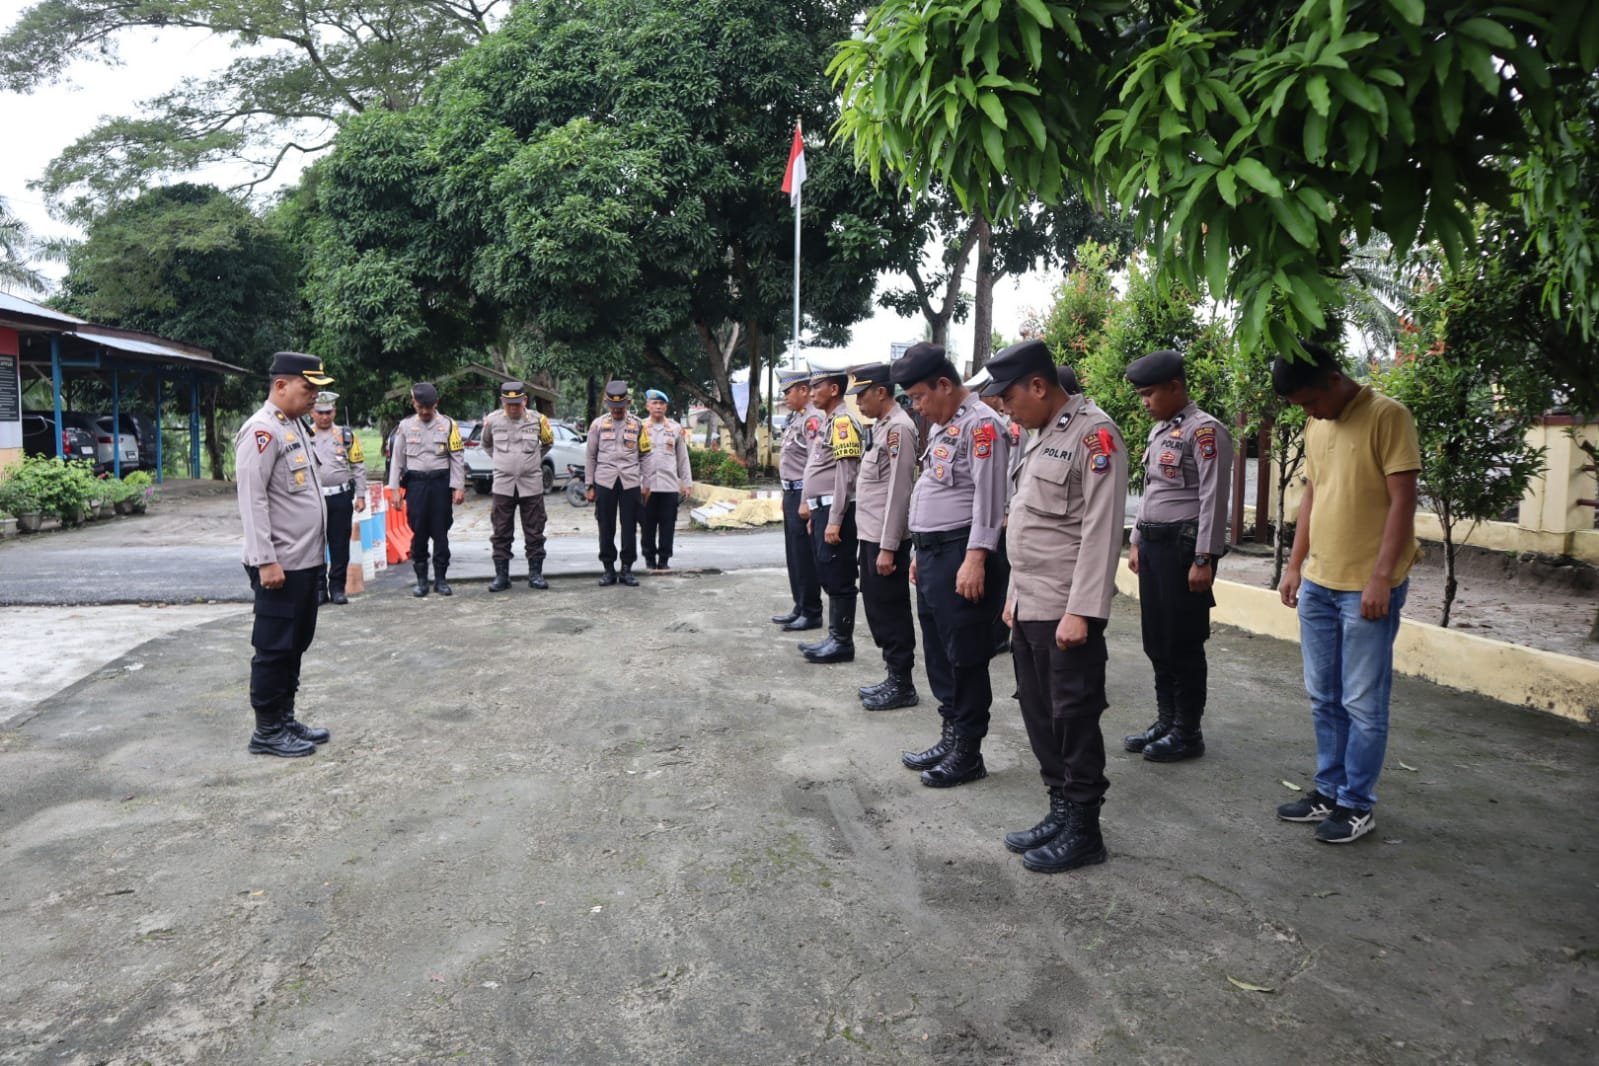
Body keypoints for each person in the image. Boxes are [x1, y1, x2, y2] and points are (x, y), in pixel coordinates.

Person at [986, 339, 1128, 872]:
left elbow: (1101, 530)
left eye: (1009, 397)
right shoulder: (1040, 433)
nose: (1004, 407)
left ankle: (1085, 829)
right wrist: (1014, 596)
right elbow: (1028, 522)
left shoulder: (1095, 434)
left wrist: (1083, 611)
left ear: (1039, 386)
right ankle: (1060, 808)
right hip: (1030, 604)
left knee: (1073, 716)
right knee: (1039, 712)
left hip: (1066, 608)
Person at [1274, 341, 1420, 844]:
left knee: (1362, 702)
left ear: (1334, 379)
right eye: (1302, 409)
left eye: (1312, 402)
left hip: (1366, 589)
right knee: (1324, 697)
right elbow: (1313, 495)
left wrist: (1381, 576)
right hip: (1319, 582)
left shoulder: (1388, 416)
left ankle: (1358, 804)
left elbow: (1403, 500)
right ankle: (1329, 790)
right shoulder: (1318, 424)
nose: (1310, 413)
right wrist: (1295, 566)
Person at [892, 342, 1010, 787]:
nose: (918, 408)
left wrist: (976, 557)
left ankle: (968, 750)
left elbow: (989, 499)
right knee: (939, 652)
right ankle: (949, 733)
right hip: (935, 555)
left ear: (945, 384)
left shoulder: (982, 426)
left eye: (921, 397)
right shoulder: (949, 425)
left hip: (963, 553)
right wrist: (920, 553)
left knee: (965, 656)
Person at [1123, 349, 1234, 762]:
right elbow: (1153, 490)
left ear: (1175, 387)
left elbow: (1213, 497)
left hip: (1183, 549)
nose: (1145, 402)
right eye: (1141, 395)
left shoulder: (1205, 432)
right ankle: (1166, 719)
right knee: (1157, 639)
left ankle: (1188, 731)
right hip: (1154, 546)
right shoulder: (1162, 430)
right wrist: (1136, 539)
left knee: (1183, 640)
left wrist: (1204, 558)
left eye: (1150, 393)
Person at [234, 352, 336, 758]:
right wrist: (265, 560)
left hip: (305, 559)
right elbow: (252, 500)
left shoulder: (293, 426)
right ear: (281, 386)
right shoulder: (261, 431)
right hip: (279, 564)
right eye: (307, 388)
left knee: (296, 643)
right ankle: (267, 730)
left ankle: (285, 717)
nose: (314, 397)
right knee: (274, 647)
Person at [847, 362, 919, 707]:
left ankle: (903, 684)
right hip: (871, 533)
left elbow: (899, 491)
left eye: (861, 395)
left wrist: (889, 547)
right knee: (877, 608)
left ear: (880, 392)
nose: (858, 403)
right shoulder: (882, 427)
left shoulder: (899, 430)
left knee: (891, 610)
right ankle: (893, 675)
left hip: (885, 539)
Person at [796, 366, 864, 663]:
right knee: (827, 571)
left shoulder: (843, 422)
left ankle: (842, 642)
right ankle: (835, 636)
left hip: (836, 510)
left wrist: (835, 518)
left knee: (838, 574)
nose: (811, 393)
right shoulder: (828, 422)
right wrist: (814, 511)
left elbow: (845, 475)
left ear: (834, 389)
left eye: (816, 386)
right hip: (821, 509)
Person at [388, 382, 465, 597]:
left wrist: (458, 485)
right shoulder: (404, 427)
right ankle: (421, 580)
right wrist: (394, 489)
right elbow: (397, 461)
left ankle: (441, 579)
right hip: (416, 486)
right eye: (420, 407)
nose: (424, 411)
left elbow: (457, 457)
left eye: (428, 408)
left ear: (436, 404)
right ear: (413, 403)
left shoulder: (449, 425)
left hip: (440, 485)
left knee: (441, 533)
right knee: (418, 532)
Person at [481, 380, 554, 592]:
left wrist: (532, 460)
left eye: (517, 403)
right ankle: (502, 577)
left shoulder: (538, 420)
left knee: (535, 530)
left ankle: (536, 574)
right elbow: (486, 443)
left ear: (525, 400)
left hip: (531, 484)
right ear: (502, 401)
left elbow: (548, 442)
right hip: (503, 485)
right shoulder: (492, 421)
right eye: (508, 403)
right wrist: (500, 461)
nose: (513, 408)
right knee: (501, 531)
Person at [770, 369, 824, 631]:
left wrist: (805, 500)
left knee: (804, 555)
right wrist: (785, 494)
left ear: (804, 390)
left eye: (788, 391)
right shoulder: (797, 419)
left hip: (804, 494)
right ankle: (800, 605)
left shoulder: (813, 420)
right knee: (793, 554)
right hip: (792, 493)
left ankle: (812, 611)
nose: (785, 397)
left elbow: (814, 463)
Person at [585, 379, 653, 586]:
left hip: (630, 482)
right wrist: (590, 485)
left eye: (620, 407)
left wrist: (647, 482)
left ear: (628, 404)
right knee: (606, 526)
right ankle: (608, 569)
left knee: (629, 527)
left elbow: (646, 455)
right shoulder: (597, 425)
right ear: (607, 404)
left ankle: (626, 569)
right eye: (613, 407)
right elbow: (590, 456)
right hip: (605, 481)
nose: (616, 411)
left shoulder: (638, 425)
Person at [307, 390, 367, 606]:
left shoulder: (346, 435)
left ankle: (337, 588)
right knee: (314, 545)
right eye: (320, 412)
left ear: (335, 411)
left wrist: (361, 495)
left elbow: (358, 466)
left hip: (340, 497)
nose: (324, 416)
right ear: (312, 412)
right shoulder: (305, 434)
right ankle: (319, 588)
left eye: (329, 412)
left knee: (340, 544)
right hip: (313, 499)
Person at [640, 388, 692, 571]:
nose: (658, 407)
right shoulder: (640, 427)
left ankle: (664, 559)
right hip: (646, 487)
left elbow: (682, 457)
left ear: (666, 406)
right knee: (647, 525)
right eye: (654, 403)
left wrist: (687, 482)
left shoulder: (675, 428)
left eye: (661, 403)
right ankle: (649, 558)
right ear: (647, 405)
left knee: (667, 526)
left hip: (669, 486)